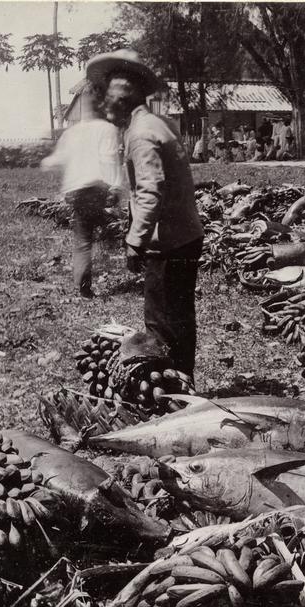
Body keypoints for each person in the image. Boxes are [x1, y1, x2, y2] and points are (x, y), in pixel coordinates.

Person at [88, 49, 205, 378]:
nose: (104, 106)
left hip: (167, 243)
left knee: (161, 320)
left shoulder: (140, 135)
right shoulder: (157, 123)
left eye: (108, 100)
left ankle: (173, 389)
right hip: (186, 235)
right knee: (181, 316)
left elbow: (152, 190)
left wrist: (135, 240)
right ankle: (185, 380)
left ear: (122, 101)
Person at [40, 82, 122, 299]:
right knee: (106, 226)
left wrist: (47, 162)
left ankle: (83, 284)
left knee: (83, 238)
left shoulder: (72, 132)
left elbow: (60, 158)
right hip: (96, 189)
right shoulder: (107, 129)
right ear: (101, 105)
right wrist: (115, 186)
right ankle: (117, 248)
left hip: (76, 192)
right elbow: (109, 159)